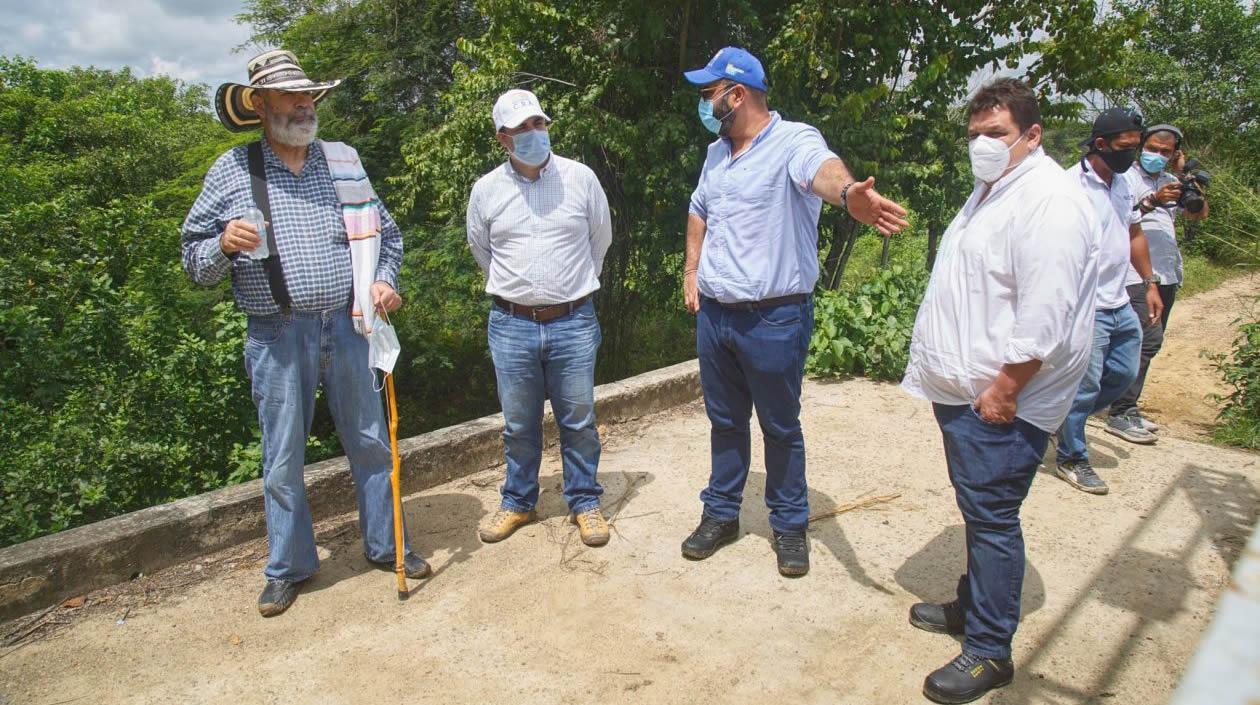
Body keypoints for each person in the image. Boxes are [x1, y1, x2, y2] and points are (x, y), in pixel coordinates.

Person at [181, 50, 428, 617]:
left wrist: (386, 283)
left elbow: (388, 238)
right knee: (283, 457)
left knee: (371, 443)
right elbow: (193, 262)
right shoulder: (232, 171)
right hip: (276, 334)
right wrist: (222, 245)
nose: (302, 105)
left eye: (308, 95)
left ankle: (389, 546)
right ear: (260, 106)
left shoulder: (342, 162)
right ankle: (289, 567)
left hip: (348, 326)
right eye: (289, 97)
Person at [901, 78, 1100, 704]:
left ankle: (989, 650)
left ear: (1032, 135)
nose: (982, 146)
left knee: (991, 516)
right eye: (975, 136)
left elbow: (1048, 309)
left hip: (1002, 396)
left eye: (997, 135)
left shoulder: (1050, 201)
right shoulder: (996, 188)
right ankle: (973, 604)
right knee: (978, 509)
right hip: (970, 385)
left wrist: (1007, 387)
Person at [678, 47, 908, 576]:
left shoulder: (793, 141)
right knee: (725, 422)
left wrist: (850, 193)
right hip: (717, 317)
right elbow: (698, 209)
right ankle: (721, 514)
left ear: (736, 95)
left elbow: (823, 173)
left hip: (774, 319)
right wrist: (692, 271)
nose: (704, 103)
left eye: (708, 93)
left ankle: (789, 524)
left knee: (780, 426)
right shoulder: (717, 154)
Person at [466, 89, 614, 548]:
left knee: (578, 419)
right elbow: (481, 251)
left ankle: (584, 500)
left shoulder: (581, 178)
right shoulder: (486, 190)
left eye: (539, 124)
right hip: (511, 324)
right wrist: (522, 295)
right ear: (502, 139)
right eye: (521, 129)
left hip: (573, 320)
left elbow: (600, 241)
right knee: (518, 423)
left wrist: (565, 291)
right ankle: (518, 500)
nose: (533, 134)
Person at [1054, 107, 1165, 495]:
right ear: (1100, 144)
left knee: (1122, 374)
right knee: (1084, 387)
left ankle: (1059, 418)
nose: (1132, 154)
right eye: (1125, 147)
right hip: (1086, 306)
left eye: (1136, 147)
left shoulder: (1123, 184)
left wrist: (1149, 282)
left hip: (1119, 300)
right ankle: (1072, 456)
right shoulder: (1069, 187)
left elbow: (1133, 232)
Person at [1105, 123, 1209, 442]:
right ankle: (1120, 411)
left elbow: (1199, 213)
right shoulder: (1126, 178)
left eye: (1166, 151)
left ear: (1175, 154)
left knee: (1141, 343)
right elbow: (1116, 218)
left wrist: (1188, 176)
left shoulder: (1172, 180)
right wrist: (1153, 199)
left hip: (1166, 271)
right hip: (1134, 273)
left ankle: (1124, 405)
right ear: (1141, 146)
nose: (1157, 155)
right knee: (1146, 340)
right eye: (1153, 148)